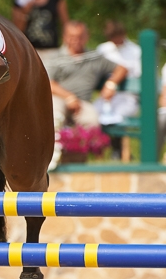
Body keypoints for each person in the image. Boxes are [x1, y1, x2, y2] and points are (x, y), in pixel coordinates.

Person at [47, 21, 128, 169]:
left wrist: (111, 84)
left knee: (92, 120)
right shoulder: (56, 57)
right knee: (54, 114)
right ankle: (52, 155)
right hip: (59, 99)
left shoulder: (94, 57)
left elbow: (122, 68)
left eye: (80, 36)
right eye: (72, 36)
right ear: (65, 37)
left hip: (83, 103)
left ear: (86, 37)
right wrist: (69, 97)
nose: (76, 40)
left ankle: (80, 160)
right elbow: (48, 83)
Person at [93, 20, 141, 136]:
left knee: (119, 115)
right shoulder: (103, 49)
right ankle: (102, 147)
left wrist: (113, 83)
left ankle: (119, 148)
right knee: (94, 114)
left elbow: (138, 74)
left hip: (127, 96)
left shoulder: (135, 50)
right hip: (106, 97)